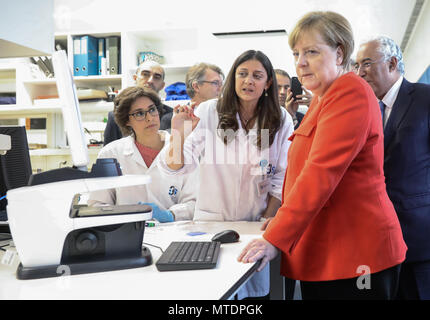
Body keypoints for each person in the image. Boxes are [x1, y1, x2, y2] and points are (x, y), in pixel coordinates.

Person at [238, 11, 407, 300]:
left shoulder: (349, 92)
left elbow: (321, 173)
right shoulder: (323, 98)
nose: (300, 62)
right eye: (296, 53)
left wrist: (276, 235)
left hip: (356, 254)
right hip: (330, 251)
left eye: (311, 52)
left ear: (339, 54)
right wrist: (280, 220)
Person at [158, 50, 294, 299]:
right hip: (212, 223)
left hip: (256, 224)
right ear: (233, 78)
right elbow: (177, 167)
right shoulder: (209, 111)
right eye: (242, 74)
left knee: (251, 294)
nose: (248, 81)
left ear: (268, 83)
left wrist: (265, 219)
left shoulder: (280, 118)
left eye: (257, 75)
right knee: (214, 293)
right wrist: (178, 132)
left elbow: (282, 177)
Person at [356, 36, 430, 300]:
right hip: (375, 240)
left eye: (366, 63)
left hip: (418, 240)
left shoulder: (424, 98)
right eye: (357, 65)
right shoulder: (365, 109)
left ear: (392, 63)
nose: (360, 72)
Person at [88, 86, 197, 223]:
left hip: (173, 233)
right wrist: (124, 217)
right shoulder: (110, 153)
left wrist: (170, 215)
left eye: (152, 110)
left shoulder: (184, 149)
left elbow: (194, 202)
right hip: (127, 234)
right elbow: (97, 204)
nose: (149, 118)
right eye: (139, 113)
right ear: (126, 120)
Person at [103, 61, 173, 146]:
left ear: (162, 85)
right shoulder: (116, 116)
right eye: (145, 74)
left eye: (157, 77)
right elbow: (108, 154)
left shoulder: (172, 117)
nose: (150, 80)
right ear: (135, 78)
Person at [159, 62, 224, 129]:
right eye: (215, 83)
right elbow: (174, 139)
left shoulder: (226, 117)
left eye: (221, 84)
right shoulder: (172, 120)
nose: (221, 88)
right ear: (196, 87)